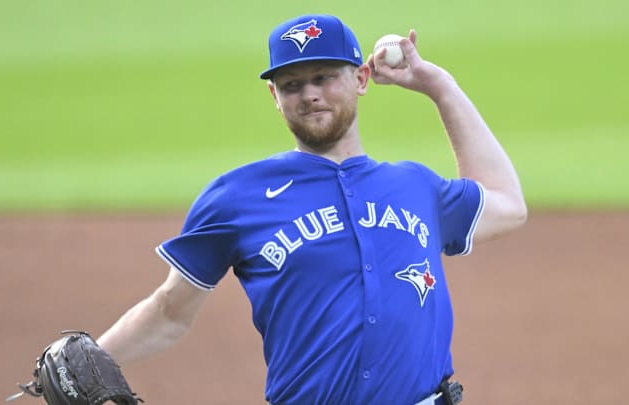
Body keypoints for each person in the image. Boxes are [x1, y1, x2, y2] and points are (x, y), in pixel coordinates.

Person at [97, 14, 527, 405]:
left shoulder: (414, 186)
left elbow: (507, 204)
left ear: (361, 78)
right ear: (274, 95)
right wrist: (97, 358)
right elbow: (171, 309)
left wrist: (438, 86)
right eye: (292, 85)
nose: (310, 95)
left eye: (324, 77)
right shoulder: (236, 196)